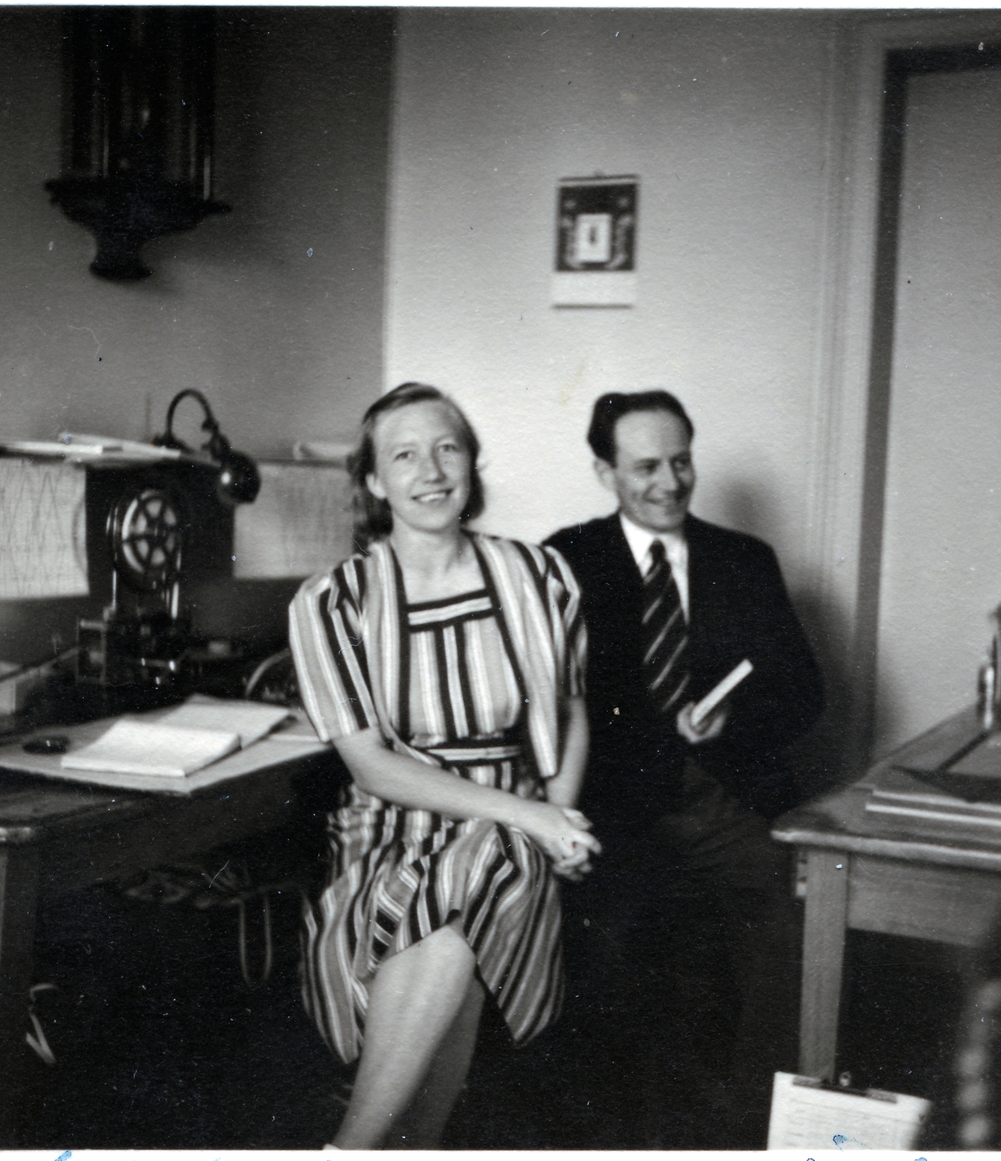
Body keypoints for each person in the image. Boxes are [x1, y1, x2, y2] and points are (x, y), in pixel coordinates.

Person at [289, 382, 598, 1150]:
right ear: (373, 480)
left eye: (447, 448)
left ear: (471, 463)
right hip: (389, 831)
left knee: (484, 866)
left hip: (518, 840)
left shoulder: (542, 575)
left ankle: (350, 1146)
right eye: (404, 455)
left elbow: (569, 714)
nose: (430, 471)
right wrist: (538, 816)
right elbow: (372, 767)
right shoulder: (331, 602)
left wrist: (560, 821)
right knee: (451, 921)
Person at [544, 389, 824, 1148]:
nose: (669, 483)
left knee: (789, 920)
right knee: (612, 954)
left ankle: (757, 1126)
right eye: (646, 467)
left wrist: (736, 721)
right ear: (605, 472)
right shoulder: (565, 560)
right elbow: (544, 701)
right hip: (614, 811)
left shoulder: (745, 561)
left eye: (681, 461)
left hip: (725, 799)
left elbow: (806, 693)